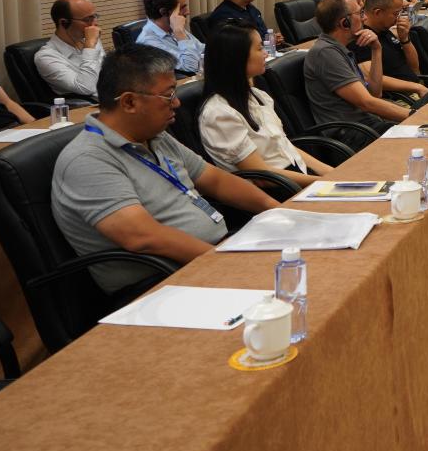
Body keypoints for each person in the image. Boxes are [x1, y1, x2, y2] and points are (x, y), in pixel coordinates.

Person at [51, 46, 280, 293]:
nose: (177, 103)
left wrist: (278, 211)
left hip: (208, 257)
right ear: (129, 102)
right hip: (162, 282)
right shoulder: (87, 160)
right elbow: (144, 238)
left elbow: (215, 180)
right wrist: (228, 263)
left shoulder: (153, 135)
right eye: (168, 95)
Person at [198, 24, 334, 186]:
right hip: (280, 189)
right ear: (237, 57)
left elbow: (285, 147)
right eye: (259, 48)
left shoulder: (258, 96)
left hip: (297, 177)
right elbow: (262, 177)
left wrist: (333, 174)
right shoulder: (219, 114)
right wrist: (323, 182)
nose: (265, 54)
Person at [304, 0, 409, 127]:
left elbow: (375, 93)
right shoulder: (326, 53)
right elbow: (367, 103)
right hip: (354, 131)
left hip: (369, 123)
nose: (365, 18)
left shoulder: (341, 49)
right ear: (345, 23)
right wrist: (414, 115)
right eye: (360, 13)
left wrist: (376, 49)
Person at [357, 0, 428, 96]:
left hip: (417, 90)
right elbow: (372, 80)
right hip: (400, 99)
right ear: (377, 12)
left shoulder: (384, 29)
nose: (398, 18)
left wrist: (405, 39)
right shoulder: (362, 39)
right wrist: (417, 87)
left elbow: (415, 68)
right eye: (396, 13)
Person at [36, 0, 106, 99]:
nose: (94, 24)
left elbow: (107, 73)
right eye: (88, 19)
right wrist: (90, 47)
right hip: (93, 104)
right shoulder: (46, 57)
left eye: (95, 16)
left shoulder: (89, 39)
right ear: (64, 23)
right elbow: (87, 88)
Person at [135, 0, 205, 75]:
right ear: (164, 12)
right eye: (182, 8)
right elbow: (191, 68)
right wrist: (179, 33)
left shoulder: (171, 27)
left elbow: (202, 49)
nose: (188, 12)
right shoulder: (149, 43)